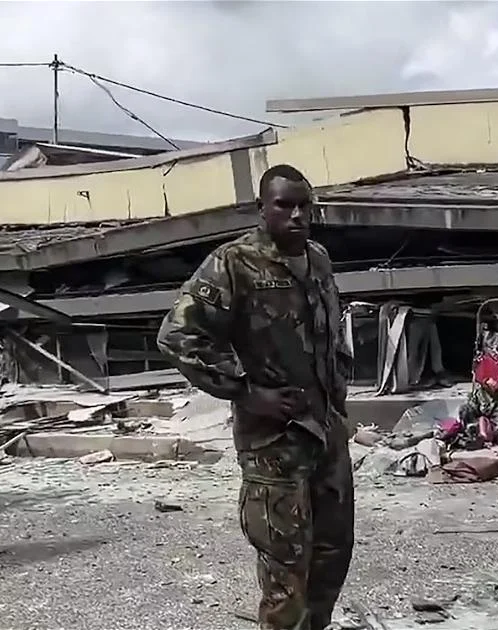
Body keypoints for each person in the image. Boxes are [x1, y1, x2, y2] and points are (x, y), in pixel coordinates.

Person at [158, 164, 354, 630]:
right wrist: (247, 393)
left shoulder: (319, 259)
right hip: (274, 442)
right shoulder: (234, 263)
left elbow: (331, 337)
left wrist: (340, 405)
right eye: (285, 204)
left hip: (325, 431)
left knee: (333, 551)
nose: (297, 215)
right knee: (285, 565)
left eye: (305, 205)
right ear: (262, 208)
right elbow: (177, 336)